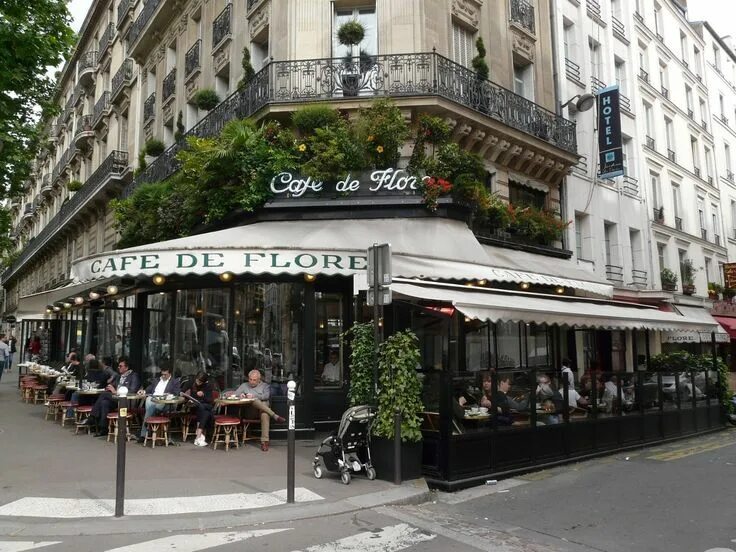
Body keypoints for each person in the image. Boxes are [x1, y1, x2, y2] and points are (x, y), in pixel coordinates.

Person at [79, 357, 141, 436]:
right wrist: (109, 387)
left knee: (104, 395)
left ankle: (92, 417)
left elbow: (132, 391)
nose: (118, 368)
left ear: (127, 367)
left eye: (120, 366)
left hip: (126, 401)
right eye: (118, 366)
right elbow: (113, 385)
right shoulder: (119, 376)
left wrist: (115, 392)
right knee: (105, 403)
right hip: (115, 399)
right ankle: (104, 428)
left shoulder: (133, 376)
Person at [228, 369, 285, 451]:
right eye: (250, 379)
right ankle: (274, 415)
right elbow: (235, 395)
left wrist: (254, 396)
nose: (251, 382)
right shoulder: (244, 385)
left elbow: (266, 396)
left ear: (259, 380)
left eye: (254, 380)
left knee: (264, 413)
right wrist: (241, 395)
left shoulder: (265, 386)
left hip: (262, 412)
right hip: (250, 412)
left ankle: (264, 442)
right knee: (256, 402)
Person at [137, 366, 181, 442]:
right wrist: (143, 391)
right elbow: (149, 389)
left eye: (165, 374)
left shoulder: (174, 382)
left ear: (170, 374)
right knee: (149, 400)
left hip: (165, 403)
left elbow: (176, 393)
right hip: (154, 400)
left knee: (151, 406)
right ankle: (148, 425)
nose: (163, 376)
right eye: (162, 374)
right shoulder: (157, 380)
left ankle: (145, 430)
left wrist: (167, 395)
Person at [181, 371, 215, 447]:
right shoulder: (191, 382)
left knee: (203, 408)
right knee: (206, 412)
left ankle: (198, 436)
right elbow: (181, 391)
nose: (198, 383)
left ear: (204, 382)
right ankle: (199, 436)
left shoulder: (208, 385)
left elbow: (210, 400)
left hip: (206, 405)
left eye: (200, 382)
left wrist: (203, 395)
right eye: (197, 380)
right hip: (195, 407)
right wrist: (185, 396)